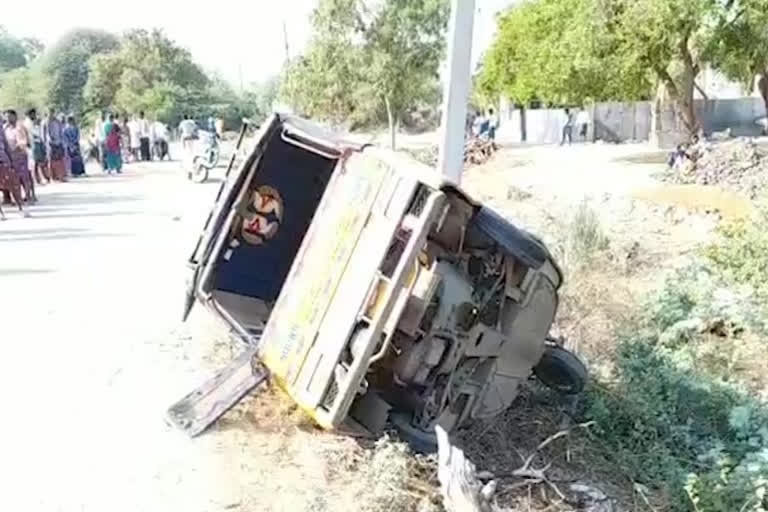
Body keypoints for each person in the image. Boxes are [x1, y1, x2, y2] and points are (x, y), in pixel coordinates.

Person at [4, 109, 36, 203]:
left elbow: (23, 141)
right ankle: (14, 198)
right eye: (6, 116)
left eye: (10, 116)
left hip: (20, 155)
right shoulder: (5, 128)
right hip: (9, 157)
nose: (8, 118)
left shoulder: (20, 127)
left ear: (15, 116)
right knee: (12, 178)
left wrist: (14, 149)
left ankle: (28, 196)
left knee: (24, 177)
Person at [0, 120, 27, 219]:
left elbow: (6, 145)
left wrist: (11, 161)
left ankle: (21, 209)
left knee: (13, 185)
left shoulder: (1, 128)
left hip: (4, 160)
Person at [25, 109, 49, 184]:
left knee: (39, 161)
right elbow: (30, 134)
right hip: (32, 144)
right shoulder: (27, 123)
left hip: (37, 142)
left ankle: (40, 178)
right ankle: (35, 179)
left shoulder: (34, 122)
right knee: (34, 162)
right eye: (33, 114)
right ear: (30, 114)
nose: (35, 116)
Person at [43, 109, 67, 181]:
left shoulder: (58, 122)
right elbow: (44, 134)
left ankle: (61, 176)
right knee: (51, 160)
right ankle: (52, 177)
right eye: (50, 113)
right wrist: (47, 141)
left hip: (58, 142)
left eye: (53, 113)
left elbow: (61, 132)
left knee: (60, 160)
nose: (51, 115)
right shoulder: (45, 123)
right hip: (50, 144)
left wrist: (62, 141)